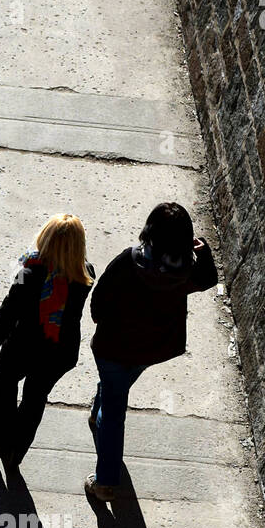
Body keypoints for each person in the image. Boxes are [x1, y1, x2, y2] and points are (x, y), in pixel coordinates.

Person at [85, 202, 218, 502]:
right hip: (150, 350)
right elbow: (209, 279)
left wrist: (98, 319)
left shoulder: (129, 261)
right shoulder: (185, 273)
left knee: (114, 413)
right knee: (116, 387)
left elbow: (101, 296)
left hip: (112, 346)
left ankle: (105, 482)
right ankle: (98, 410)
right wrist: (204, 250)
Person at [0, 214, 94, 469]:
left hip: (22, 345)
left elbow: (7, 313)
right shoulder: (85, 274)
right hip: (59, 352)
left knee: (4, 384)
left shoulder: (28, 271)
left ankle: (0, 441)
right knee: (34, 398)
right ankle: (16, 451)